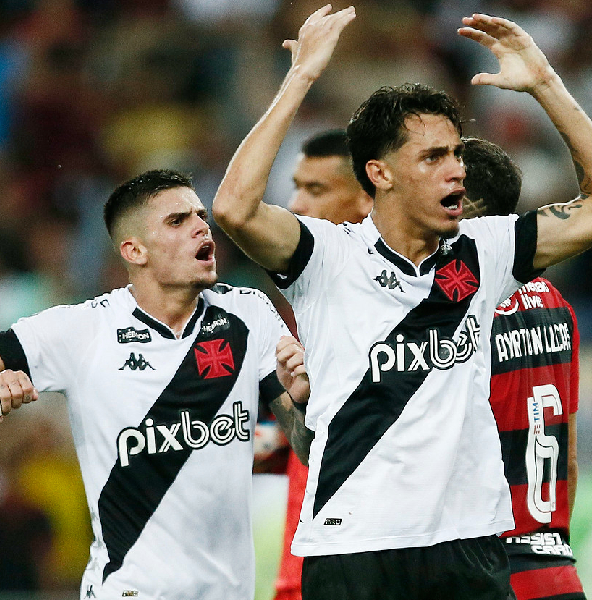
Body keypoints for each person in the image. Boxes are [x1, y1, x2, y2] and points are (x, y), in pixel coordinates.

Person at [212, 6, 592, 599]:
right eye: (433, 158)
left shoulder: (487, 250)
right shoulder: (326, 256)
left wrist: (546, 85)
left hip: (469, 545)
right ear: (379, 174)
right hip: (353, 546)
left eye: (456, 154)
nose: (457, 172)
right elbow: (233, 209)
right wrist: (300, 79)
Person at [0, 168, 309, 600]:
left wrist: (305, 400)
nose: (201, 227)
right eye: (178, 221)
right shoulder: (83, 329)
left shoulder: (247, 315)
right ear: (134, 250)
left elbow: (304, 448)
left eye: (200, 215)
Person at [461, 137, 586, 600]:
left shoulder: (459, 312)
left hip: (484, 573)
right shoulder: (557, 304)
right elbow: (567, 456)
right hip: (555, 571)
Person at [257, 128, 372, 600]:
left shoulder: (399, 308)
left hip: (362, 572)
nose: (295, 204)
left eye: (316, 189)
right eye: (295, 186)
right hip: (299, 576)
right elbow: (301, 444)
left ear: (369, 197)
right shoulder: (310, 306)